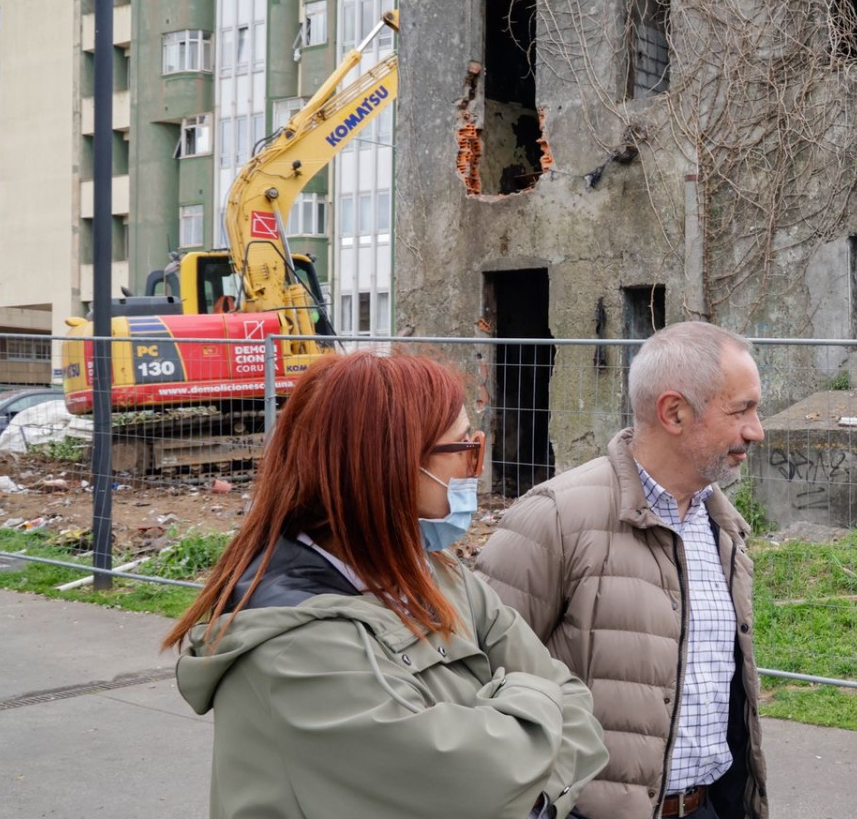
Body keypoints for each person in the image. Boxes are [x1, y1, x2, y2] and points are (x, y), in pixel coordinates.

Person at [165, 352, 608, 819]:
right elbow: (471, 791)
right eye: (465, 449)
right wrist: (533, 710)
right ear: (390, 465)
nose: (475, 470)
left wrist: (529, 792)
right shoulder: (297, 649)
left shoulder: (436, 573)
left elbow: (578, 707)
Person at [477, 321, 768, 819]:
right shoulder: (555, 519)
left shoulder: (720, 526)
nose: (755, 429)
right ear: (674, 412)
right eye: (740, 410)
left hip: (708, 806)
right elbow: (477, 679)